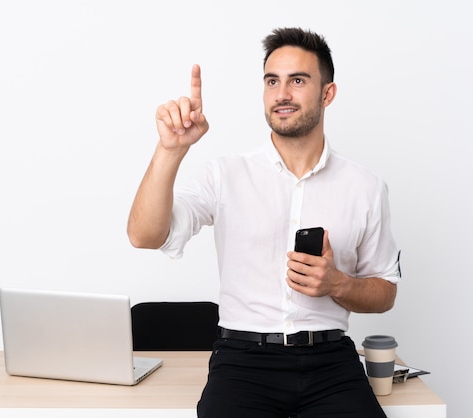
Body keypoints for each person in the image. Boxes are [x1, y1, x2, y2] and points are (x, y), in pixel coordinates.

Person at [128, 27, 401, 418]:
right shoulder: (226, 174)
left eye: (298, 80)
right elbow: (144, 235)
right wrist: (170, 150)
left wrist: (337, 283)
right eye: (272, 81)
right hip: (243, 363)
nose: (282, 94)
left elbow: (385, 291)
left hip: (331, 363)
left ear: (328, 93)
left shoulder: (366, 188)